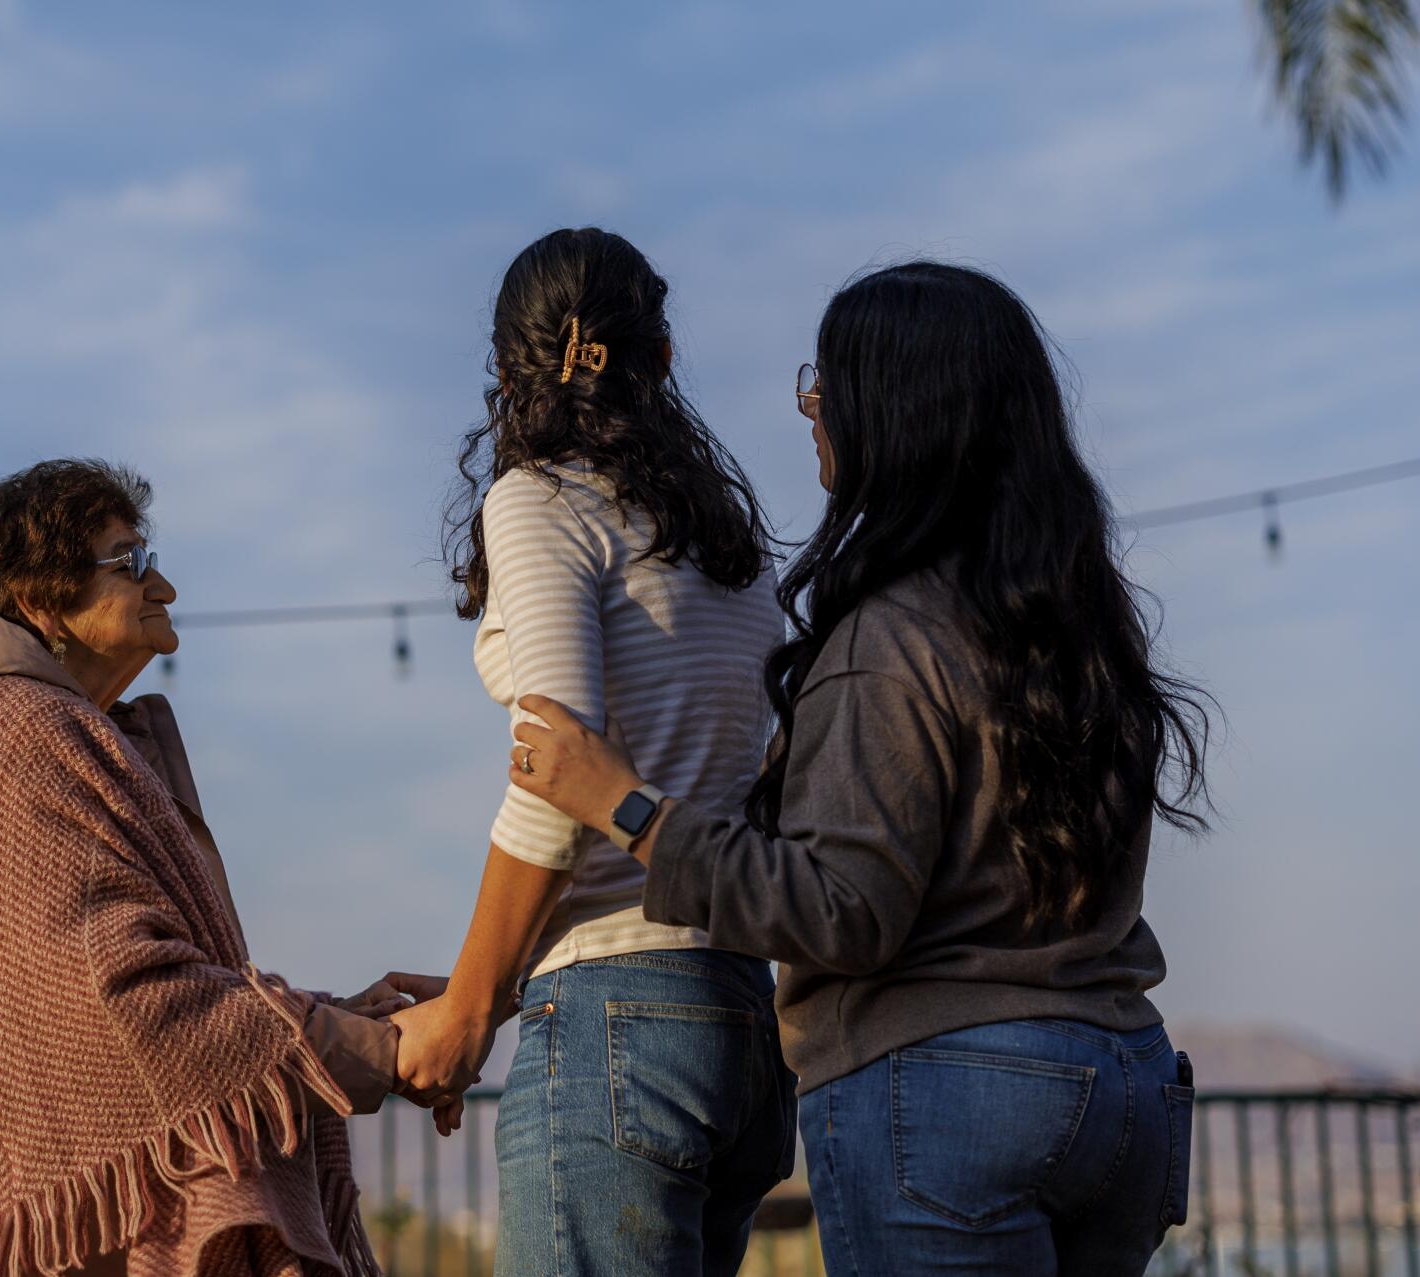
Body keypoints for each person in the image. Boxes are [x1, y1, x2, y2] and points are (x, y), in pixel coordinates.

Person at [509, 262, 1211, 1276]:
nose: (807, 406)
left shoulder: (885, 638)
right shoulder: (1074, 630)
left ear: (895, 411)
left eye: (824, 381)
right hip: (1121, 1086)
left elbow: (843, 910)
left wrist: (626, 806)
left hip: (950, 1104)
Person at [0, 459, 405, 1277]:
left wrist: (328, 1016)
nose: (165, 585)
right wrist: (371, 1047)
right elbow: (127, 998)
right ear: (40, 597)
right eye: (131, 562)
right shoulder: (20, 731)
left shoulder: (4, 727)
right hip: (86, 1238)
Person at [389, 228, 798, 1277]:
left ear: (504, 371)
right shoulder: (728, 550)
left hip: (619, 1031)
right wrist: (492, 976)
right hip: (738, 1015)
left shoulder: (539, 503)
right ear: (661, 362)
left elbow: (554, 768)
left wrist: (473, 1004)